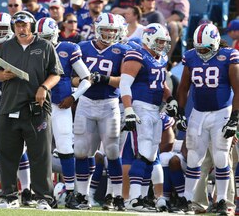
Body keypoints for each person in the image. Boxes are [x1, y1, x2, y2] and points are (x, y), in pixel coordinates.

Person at [0, 10, 63, 210]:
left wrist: (44, 87)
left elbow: (56, 74)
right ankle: (8, 195)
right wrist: (3, 75)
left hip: (36, 108)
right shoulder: (7, 46)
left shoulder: (45, 46)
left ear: (31, 26)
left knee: (40, 155)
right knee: (7, 154)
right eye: (17, 26)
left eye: (24, 25)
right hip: (9, 106)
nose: (21, 29)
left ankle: (43, 197)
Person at [175, 23, 239, 215]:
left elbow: (238, 89)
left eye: (206, 48)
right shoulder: (191, 56)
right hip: (199, 112)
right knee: (194, 156)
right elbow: (183, 87)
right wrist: (180, 113)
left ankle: (221, 201)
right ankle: (187, 199)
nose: (202, 52)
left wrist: (234, 118)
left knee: (221, 156)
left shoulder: (229, 56)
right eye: (199, 48)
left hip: (222, 112)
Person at [73, 12, 131, 211]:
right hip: (86, 102)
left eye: (112, 30)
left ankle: (115, 196)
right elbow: (70, 79)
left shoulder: (122, 50)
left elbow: (125, 80)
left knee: (113, 151)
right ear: (97, 29)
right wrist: (84, 80)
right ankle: (82, 195)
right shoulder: (82, 48)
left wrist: (104, 79)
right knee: (82, 150)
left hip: (109, 104)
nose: (108, 33)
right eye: (105, 29)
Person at [36, 17, 92, 209]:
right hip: (38, 106)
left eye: (47, 37)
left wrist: (74, 97)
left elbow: (87, 78)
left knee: (65, 147)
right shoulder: (33, 48)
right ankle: (41, 192)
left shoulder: (68, 49)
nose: (44, 41)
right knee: (38, 150)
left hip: (61, 106)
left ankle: (70, 192)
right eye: (41, 37)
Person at [120, 23, 175, 210]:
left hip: (154, 109)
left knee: (151, 156)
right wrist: (128, 110)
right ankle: (134, 198)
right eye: (159, 41)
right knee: (142, 153)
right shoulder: (137, 55)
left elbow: (161, 83)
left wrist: (170, 99)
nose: (162, 45)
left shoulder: (160, 58)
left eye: (164, 42)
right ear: (149, 38)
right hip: (140, 107)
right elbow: (125, 85)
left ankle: (142, 197)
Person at [0, 13, 33, 206]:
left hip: (17, 102)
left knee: (21, 148)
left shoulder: (19, 47)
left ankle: (27, 189)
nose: (0, 33)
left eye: (4, 29)